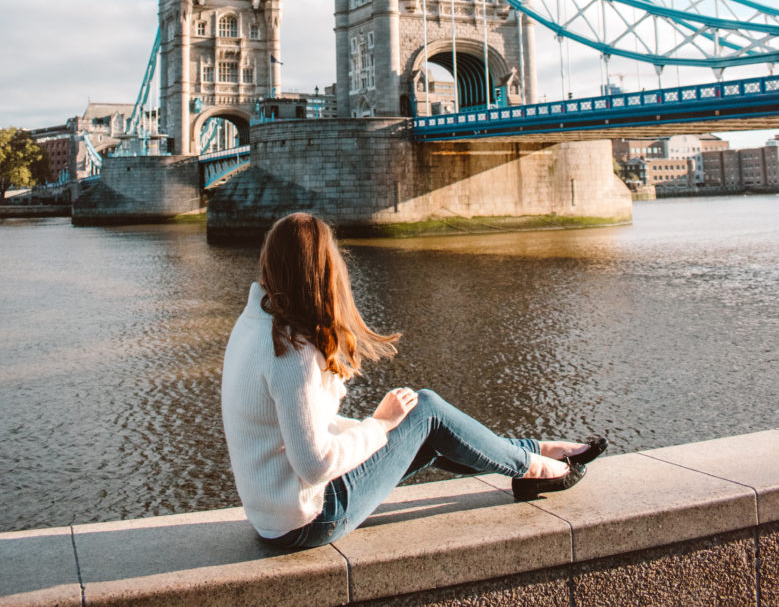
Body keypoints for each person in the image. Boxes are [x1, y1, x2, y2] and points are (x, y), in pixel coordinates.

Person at [221, 212, 607, 550]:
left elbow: (300, 429)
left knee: (430, 428)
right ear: (323, 270)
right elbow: (315, 464)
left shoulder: (254, 325)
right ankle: (536, 468)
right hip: (309, 519)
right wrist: (381, 424)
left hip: (276, 513)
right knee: (426, 409)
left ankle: (535, 452)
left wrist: (384, 429)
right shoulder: (293, 352)